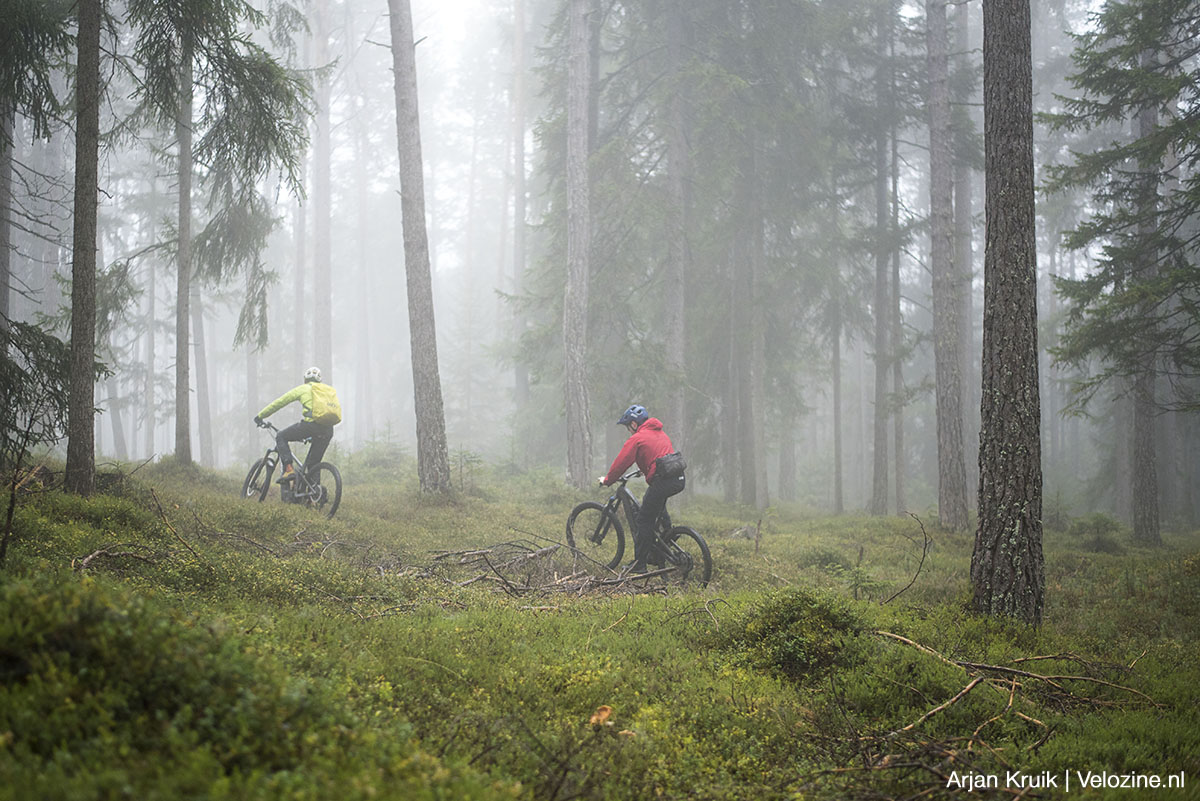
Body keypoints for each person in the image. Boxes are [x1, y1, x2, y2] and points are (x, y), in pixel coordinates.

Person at [598, 404, 687, 573]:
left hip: (662, 482)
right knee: (657, 508)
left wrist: (608, 480)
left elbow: (621, 463)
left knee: (643, 520)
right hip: (678, 479)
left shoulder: (637, 438)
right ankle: (667, 537)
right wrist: (644, 469)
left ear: (633, 424)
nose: (629, 431)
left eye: (628, 427)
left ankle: (639, 564)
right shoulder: (659, 433)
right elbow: (659, 455)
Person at [254, 366, 338, 484]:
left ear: (305, 379)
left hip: (311, 425)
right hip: (328, 430)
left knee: (281, 436)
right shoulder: (328, 390)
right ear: (319, 380)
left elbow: (279, 402)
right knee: (314, 464)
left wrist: (260, 416)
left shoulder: (303, 389)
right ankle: (314, 496)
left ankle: (289, 469)